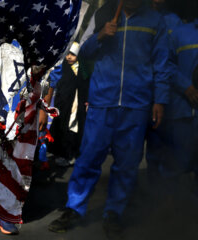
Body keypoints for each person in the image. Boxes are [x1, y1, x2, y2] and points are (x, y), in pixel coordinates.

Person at [48, 0, 170, 236]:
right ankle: (74, 208)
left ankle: (114, 211)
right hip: (102, 101)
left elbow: (162, 63)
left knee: (127, 162)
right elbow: (82, 53)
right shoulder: (104, 14)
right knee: (89, 157)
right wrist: (101, 35)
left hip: (137, 104)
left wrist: (160, 100)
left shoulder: (155, 21)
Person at [145, 0, 183, 181]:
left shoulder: (174, 21)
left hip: (166, 91)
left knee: (162, 140)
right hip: (140, 89)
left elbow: (172, 60)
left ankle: (161, 188)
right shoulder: (141, 17)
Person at [48, 42, 89, 167]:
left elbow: (84, 85)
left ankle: (70, 155)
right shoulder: (64, 67)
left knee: (73, 129)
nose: (69, 57)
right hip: (63, 104)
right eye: (68, 54)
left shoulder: (81, 69)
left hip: (76, 105)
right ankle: (60, 153)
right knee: (61, 126)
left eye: (73, 54)